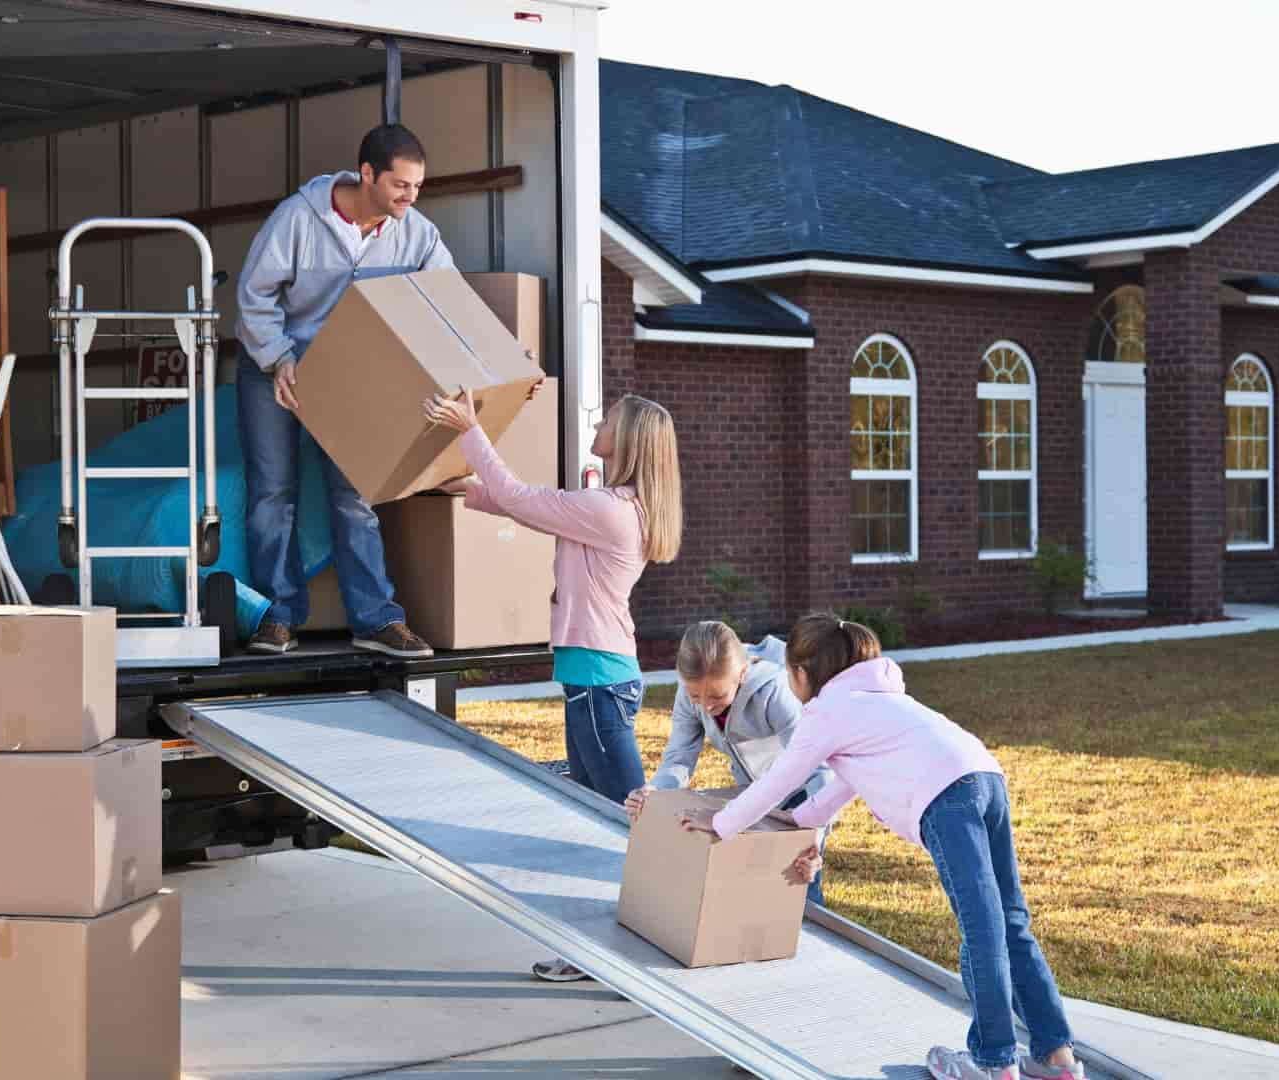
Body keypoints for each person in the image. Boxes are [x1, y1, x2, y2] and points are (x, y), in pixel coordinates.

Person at [678, 615, 1085, 1080]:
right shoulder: (878, 698)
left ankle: (993, 1062)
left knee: (983, 931)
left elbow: (777, 781)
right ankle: (1057, 1058)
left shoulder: (827, 712)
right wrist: (801, 822)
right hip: (985, 775)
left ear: (803, 674)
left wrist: (721, 822)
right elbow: (843, 784)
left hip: (947, 796)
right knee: (1010, 921)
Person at [423, 389, 682, 984]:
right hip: (592, 680)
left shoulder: (611, 509)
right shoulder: (612, 506)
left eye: (608, 420)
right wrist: (455, 489)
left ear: (630, 441)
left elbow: (521, 496)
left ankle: (647, 954)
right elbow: (520, 505)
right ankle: (600, 952)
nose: (599, 422)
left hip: (599, 682)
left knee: (627, 827)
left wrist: (471, 429)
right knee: (596, 824)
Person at [233, 123, 452, 658]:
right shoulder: (298, 219)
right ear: (368, 174)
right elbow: (253, 295)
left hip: (351, 377)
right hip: (275, 365)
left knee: (355, 497)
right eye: (401, 185)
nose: (410, 197)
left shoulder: (417, 233)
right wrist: (279, 358)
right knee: (273, 494)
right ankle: (276, 617)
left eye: (418, 187)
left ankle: (375, 619)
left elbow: (445, 302)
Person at [623, 621, 839, 906]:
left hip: (800, 798)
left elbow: (820, 772)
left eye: (716, 696)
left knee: (799, 894)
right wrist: (655, 792)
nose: (705, 706)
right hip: (751, 796)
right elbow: (679, 758)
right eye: (695, 696)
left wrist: (815, 838)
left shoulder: (775, 693)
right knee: (753, 893)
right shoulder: (691, 695)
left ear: (742, 673)